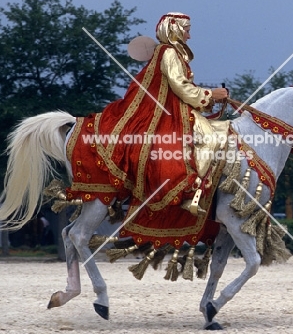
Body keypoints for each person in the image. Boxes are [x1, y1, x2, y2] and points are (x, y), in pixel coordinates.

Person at [66, 13, 229, 245]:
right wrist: (211, 94)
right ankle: (194, 192)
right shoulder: (169, 52)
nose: (189, 34)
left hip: (174, 111)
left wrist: (210, 98)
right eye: (186, 29)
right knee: (210, 140)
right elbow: (181, 87)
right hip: (167, 115)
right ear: (174, 29)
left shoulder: (172, 53)